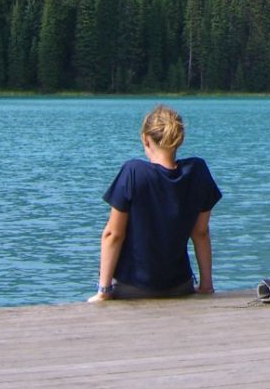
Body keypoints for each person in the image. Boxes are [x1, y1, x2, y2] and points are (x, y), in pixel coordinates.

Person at [89, 104, 222, 301]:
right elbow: (200, 233)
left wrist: (104, 291)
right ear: (180, 139)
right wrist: (206, 286)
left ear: (145, 139)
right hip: (179, 286)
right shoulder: (198, 171)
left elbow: (113, 234)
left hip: (131, 288)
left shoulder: (133, 172)